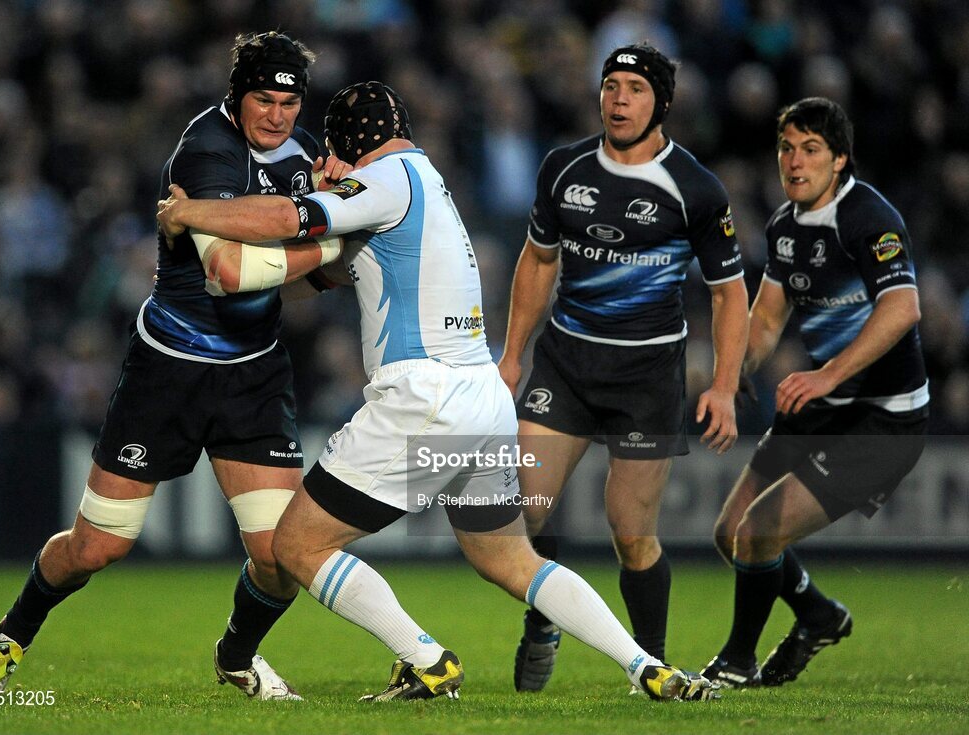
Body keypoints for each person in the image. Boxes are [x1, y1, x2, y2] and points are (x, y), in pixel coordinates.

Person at [156, 80, 719, 703]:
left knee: (295, 545)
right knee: (510, 559)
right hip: (480, 396)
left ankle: (426, 659)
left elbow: (290, 219)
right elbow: (321, 273)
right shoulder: (420, 177)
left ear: (346, 141)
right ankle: (646, 666)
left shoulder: (382, 181)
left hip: (424, 396)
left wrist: (188, 213)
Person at [0, 30, 349, 702]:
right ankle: (4, 645)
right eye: (264, 99)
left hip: (253, 372)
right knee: (96, 546)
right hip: (171, 370)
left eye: (289, 101)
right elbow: (228, 273)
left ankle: (236, 656)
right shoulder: (205, 150)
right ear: (236, 95)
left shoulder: (305, 154)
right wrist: (332, 243)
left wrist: (330, 255)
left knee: (280, 556)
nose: (278, 115)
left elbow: (311, 278)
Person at [496, 43, 749, 691]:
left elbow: (729, 294)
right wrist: (512, 354)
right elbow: (537, 261)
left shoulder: (694, 187)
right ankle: (544, 620)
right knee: (527, 509)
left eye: (635, 88)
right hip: (566, 365)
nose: (619, 99)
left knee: (631, 533)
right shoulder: (563, 168)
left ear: (659, 103)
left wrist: (723, 386)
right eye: (611, 85)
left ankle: (650, 665)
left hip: (645, 377)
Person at [700, 97, 929, 687]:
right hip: (822, 408)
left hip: (883, 421)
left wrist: (827, 374)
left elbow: (903, 308)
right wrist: (727, 381)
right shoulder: (785, 226)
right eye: (786, 148)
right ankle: (818, 615)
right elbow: (768, 320)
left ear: (840, 159)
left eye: (810, 150)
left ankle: (738, 661)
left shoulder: (868, 219)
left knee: (758, 532)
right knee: (732, 536)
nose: (794, 162)